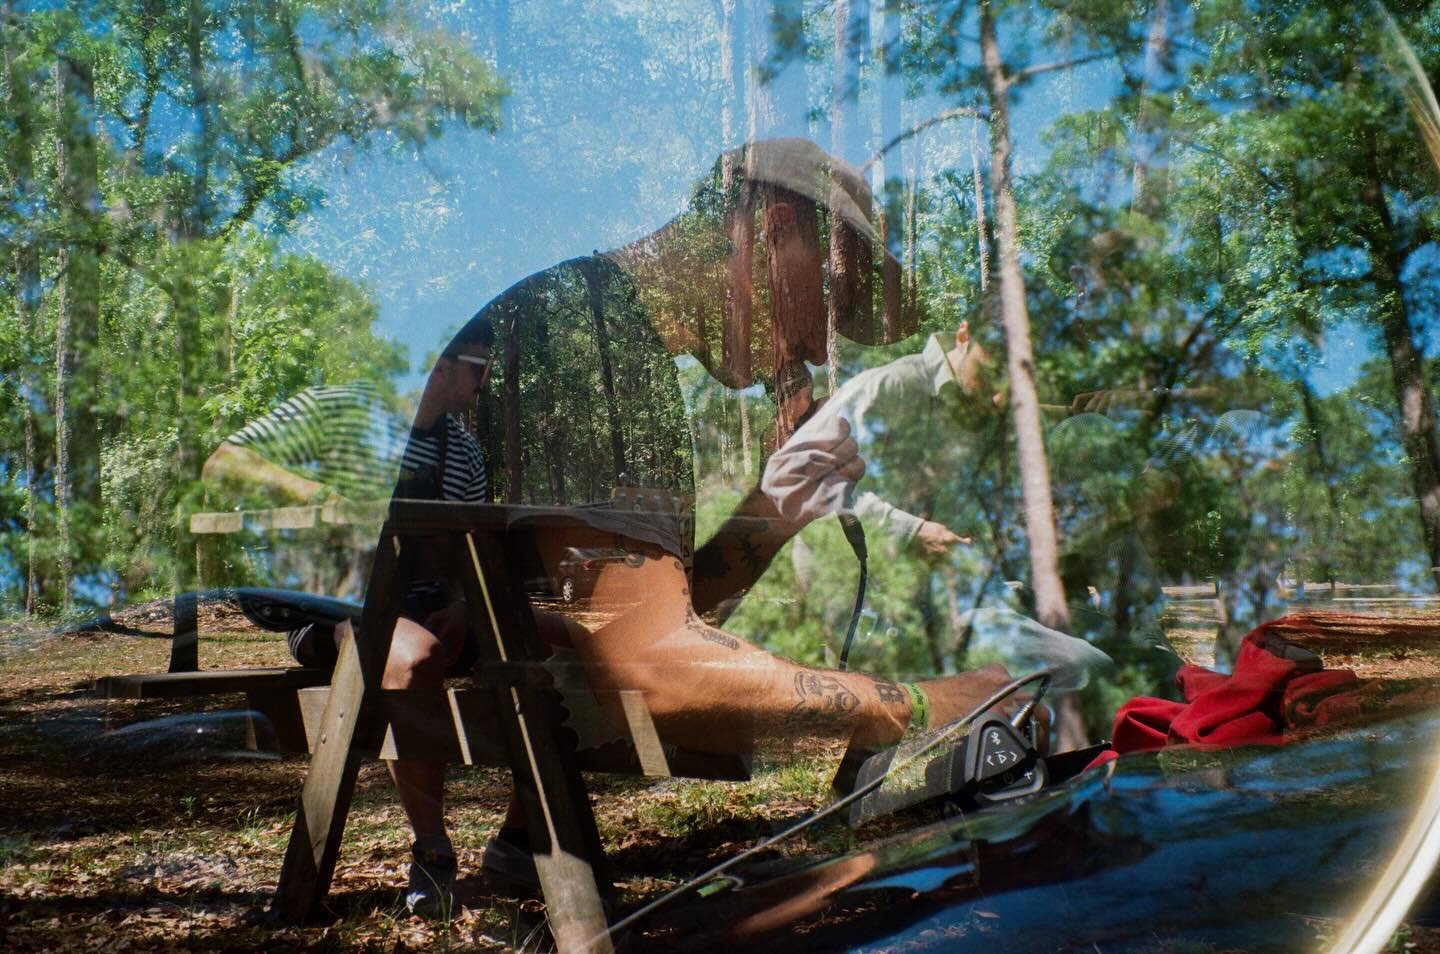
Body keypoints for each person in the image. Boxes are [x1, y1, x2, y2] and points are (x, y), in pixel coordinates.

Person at [386, 139, 1046, 916]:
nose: (818, 347)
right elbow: (651, 668)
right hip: (416, 636)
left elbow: (628, 611)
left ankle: (526, 840)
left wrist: (772, 515)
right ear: (773, 230)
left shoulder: (616, 336)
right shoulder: (589, 334)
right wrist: (927, 704)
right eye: (830, 306)